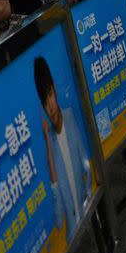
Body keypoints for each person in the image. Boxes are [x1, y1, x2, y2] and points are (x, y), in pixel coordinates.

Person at [35, 57, 90, 241]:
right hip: (72, 233)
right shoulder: (49, 145)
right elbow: (59, 220)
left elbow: (86, 162)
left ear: (55, 90)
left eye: (50, 94)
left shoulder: (71, 116)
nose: (50, 106)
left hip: (88, 209)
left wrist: (90, 192)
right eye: (45, 101)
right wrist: (49, 149)